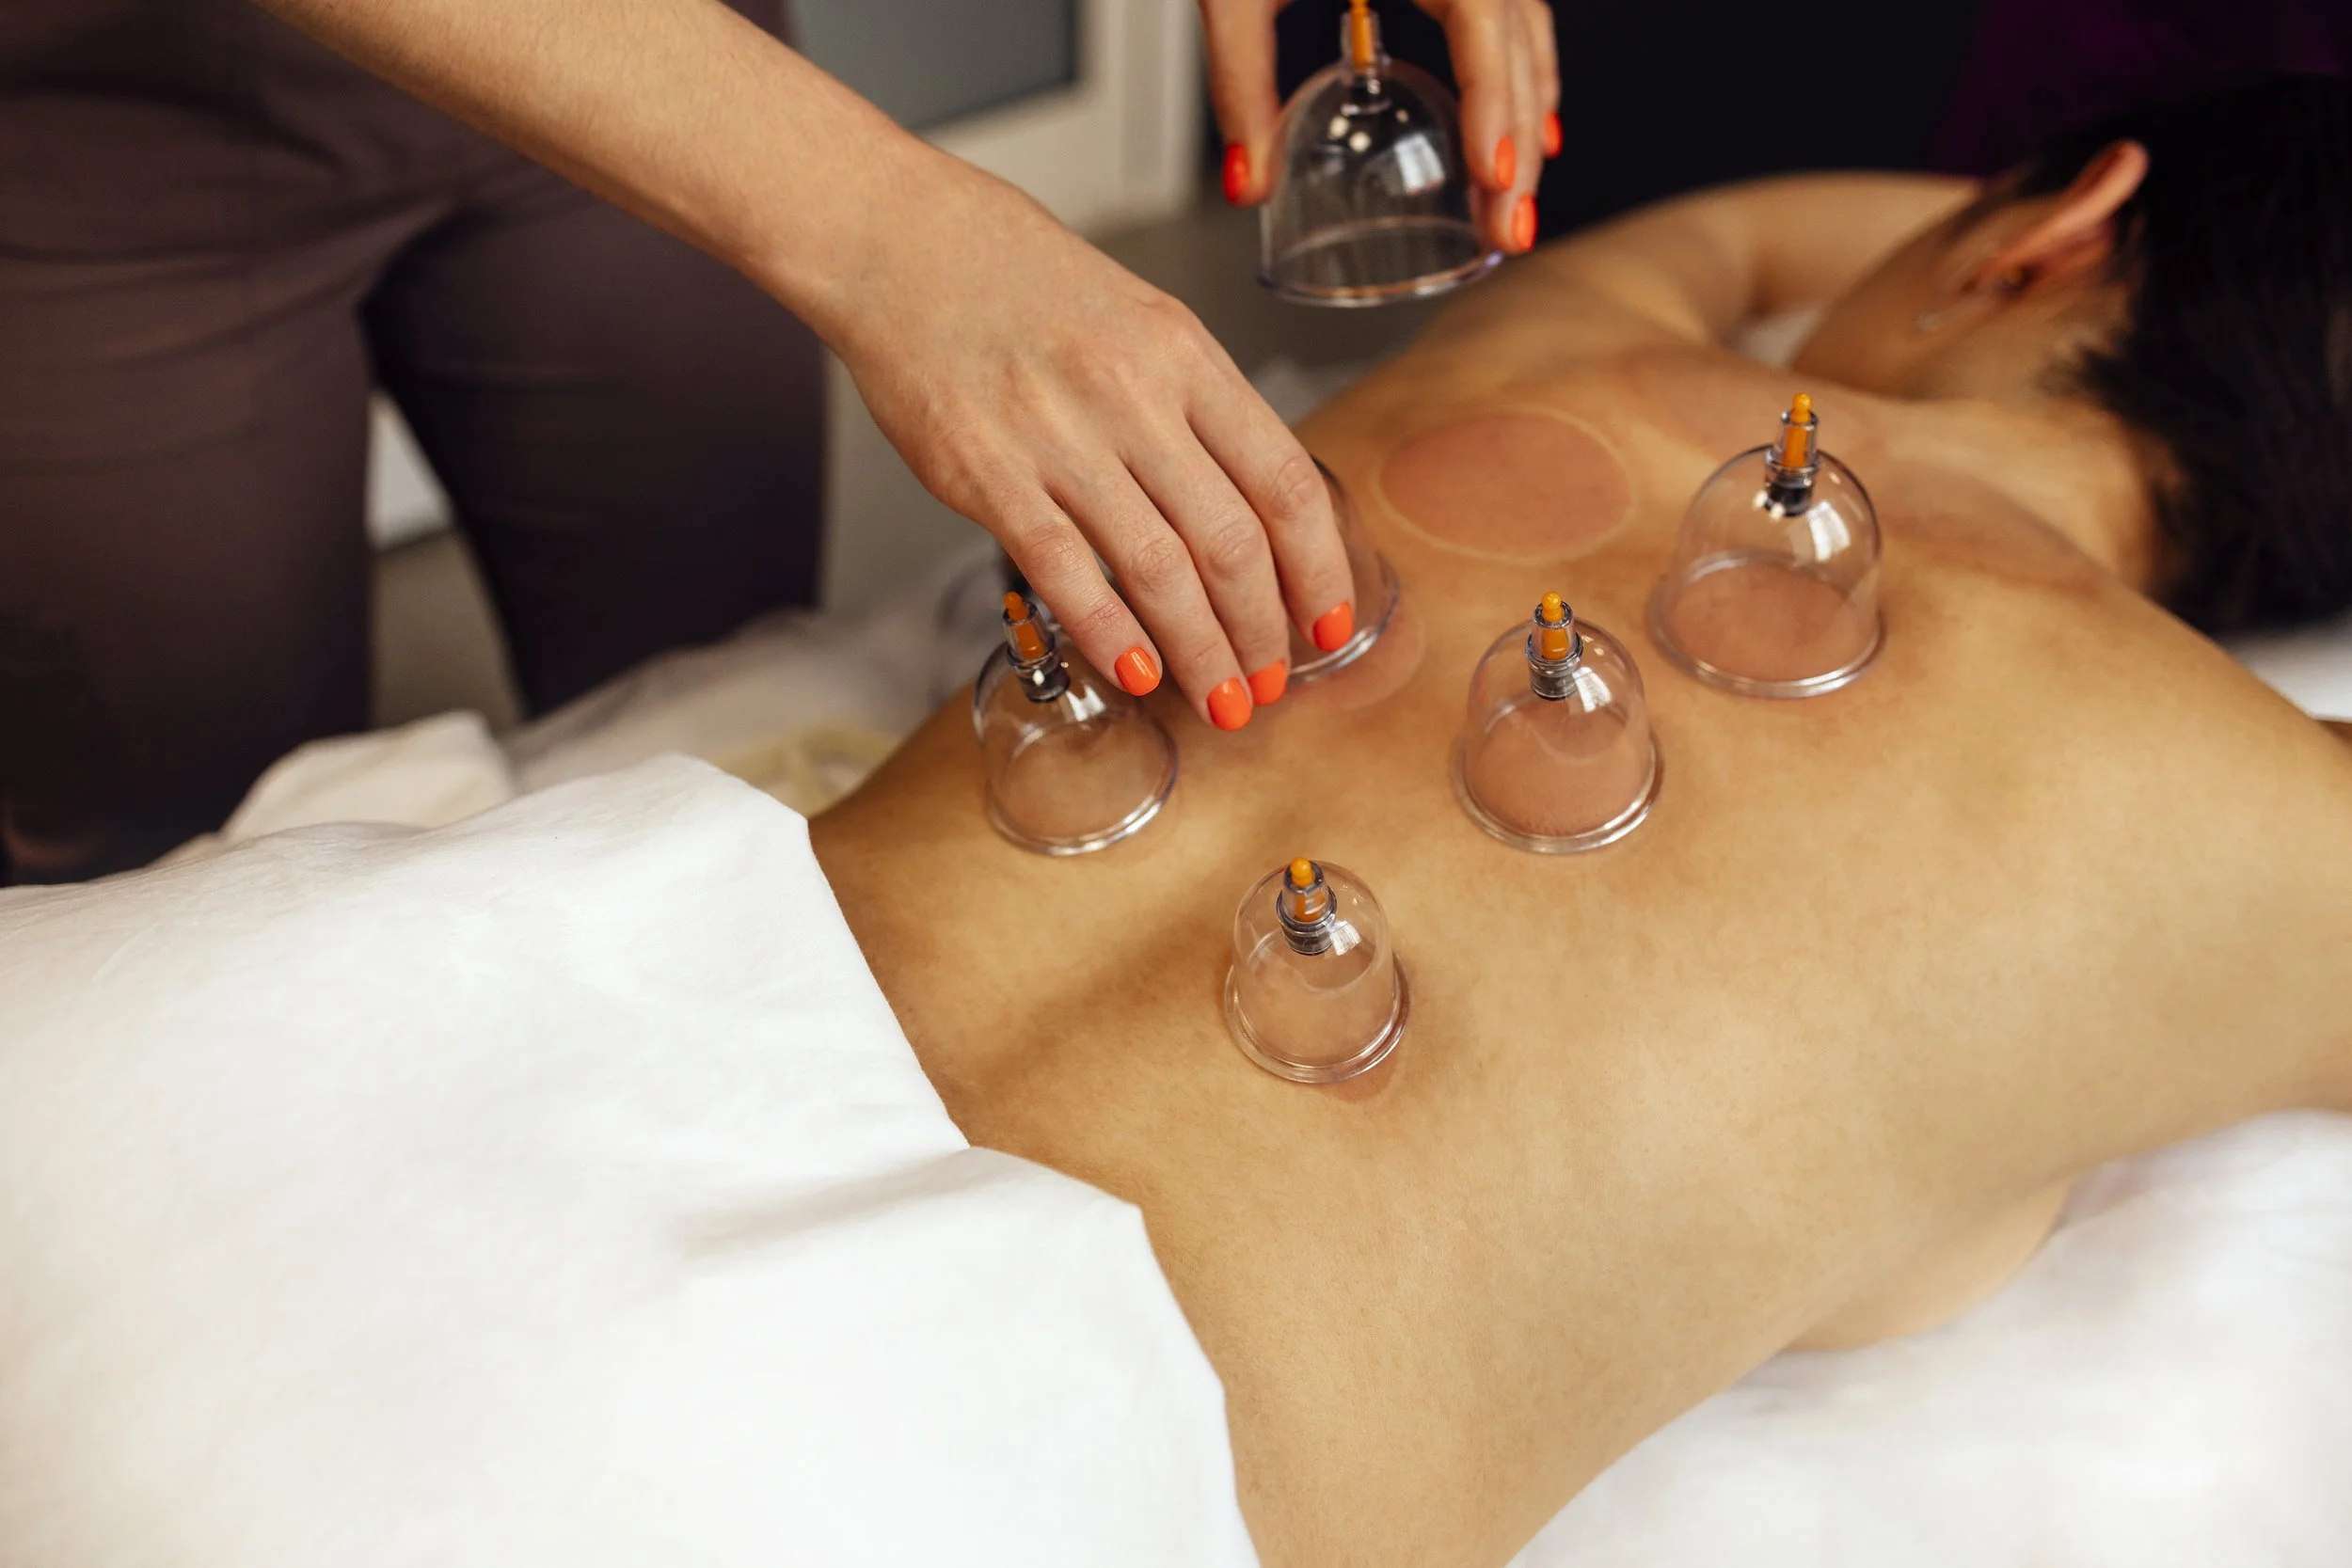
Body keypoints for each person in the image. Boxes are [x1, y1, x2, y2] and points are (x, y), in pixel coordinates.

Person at [808, 78, 2352, 1564]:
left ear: (2055, 231)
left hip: (649, 1008)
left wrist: (2080, 231)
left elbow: (1746, 235)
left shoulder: (1567, 337)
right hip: (1057, 1485)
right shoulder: (2255, 821)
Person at [0, 0, 1558, 883]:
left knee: (713, 716)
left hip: (663, 51)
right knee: (187, 870)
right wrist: (881, 224)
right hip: (87, 127)